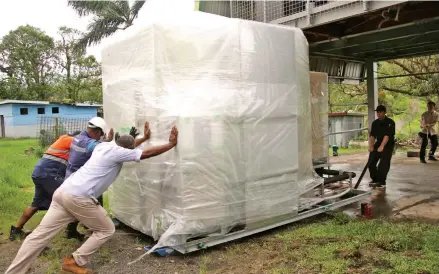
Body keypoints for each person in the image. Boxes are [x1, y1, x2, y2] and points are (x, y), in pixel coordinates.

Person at [4, 122, 178, 274]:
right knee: (106, 229)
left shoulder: (103, 147)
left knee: (39, 236)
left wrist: (143, 137)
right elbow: (144, 154)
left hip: (62, 192)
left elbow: (127, 148)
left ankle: (14, 271)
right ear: (124, 149)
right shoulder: (117, 152)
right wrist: (170, 144)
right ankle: (74, 261)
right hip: (79, 197)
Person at [9, 131, 81, 241]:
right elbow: (87, 147)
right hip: (49, 174)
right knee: (73, 198)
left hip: (40, 173)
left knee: (36, 204)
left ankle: (16, 230)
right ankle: (67, 232)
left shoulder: (63, 139)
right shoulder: (70, 140)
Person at [63, 117, 114, 241]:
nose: (100, 137)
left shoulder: (78, 137)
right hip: (80, 181)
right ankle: (98, 230)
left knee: (76, 206)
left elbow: (96, 145)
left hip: (72, 176)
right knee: (95, 203)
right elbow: (103, 148)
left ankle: (71, 230)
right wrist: (117, 142)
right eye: (100, 135)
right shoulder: (88, 143)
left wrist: (107, 140)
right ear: (96, 132)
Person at [368, 105, 395, 190]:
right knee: (371, 162)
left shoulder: (390, 122)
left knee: (383, 163)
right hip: (378, 142)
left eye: (380, 112)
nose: (378, 114)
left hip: (388, 144)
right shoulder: (375, 123)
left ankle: (382, 181)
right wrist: (371, 146)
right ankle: (375, 179)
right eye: (377, 112)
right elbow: (372, 136)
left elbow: (387, 136)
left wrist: (382, 147)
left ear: (384, 112)